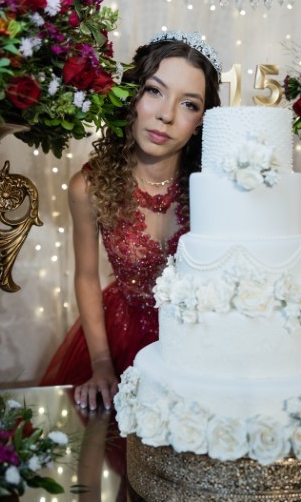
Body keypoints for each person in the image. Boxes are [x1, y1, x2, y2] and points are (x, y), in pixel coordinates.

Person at [39, 31, 222, 413]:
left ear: (201, 121)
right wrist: (101, 362)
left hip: (202, 344)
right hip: (121, 340)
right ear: (131, 96)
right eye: (154, 91)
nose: (166, 115)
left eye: (188, 104)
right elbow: (87, 277)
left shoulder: (215, 187)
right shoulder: (89, 186)